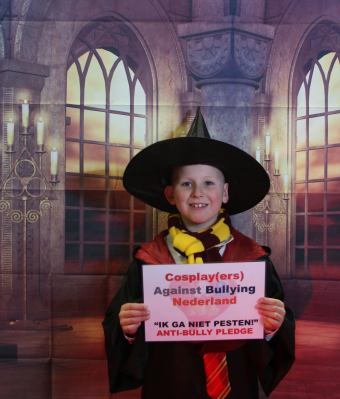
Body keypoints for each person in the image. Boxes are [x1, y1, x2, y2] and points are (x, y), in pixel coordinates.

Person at [102, 108, 295, 398]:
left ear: (225, 193)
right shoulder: (150, 260)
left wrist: (271, 328)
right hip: (169, 382)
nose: (197, 193)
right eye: (186, 183)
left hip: (236, 383)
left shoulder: (252, 259)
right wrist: (127, 329)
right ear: (170, 195)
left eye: (209, 183)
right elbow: (120, 329)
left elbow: (274, 335)